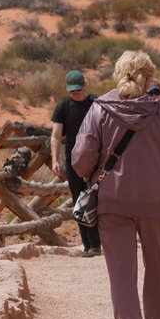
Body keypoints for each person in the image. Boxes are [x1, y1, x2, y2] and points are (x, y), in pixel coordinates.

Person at [70, 51, 160, 319]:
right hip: (157, 200)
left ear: (118, 73)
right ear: (148, 77)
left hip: (113, 200)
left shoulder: (100, 109)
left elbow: (81, 158)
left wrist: (92, 174)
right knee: (158, 265)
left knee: (121, 269)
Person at [50, 69, 103, 257]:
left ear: (85, 85)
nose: (75, 93)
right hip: (74, 163)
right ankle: (88, 245)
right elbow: (56, 136)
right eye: (72, 90)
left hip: (97, 162)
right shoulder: (63, 106)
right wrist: (55, 160)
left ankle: (98, 243)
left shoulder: (96, 103)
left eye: (78, 89)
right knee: (80, 202)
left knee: (98, 200)